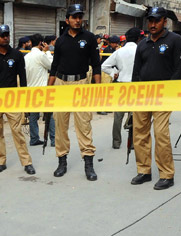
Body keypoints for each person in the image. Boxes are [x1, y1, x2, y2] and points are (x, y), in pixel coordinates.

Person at [131, 7, 181, 190]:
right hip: (142, 95)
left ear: (165, 22)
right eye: (150, 21)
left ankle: (167, 174)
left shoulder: (175, 40)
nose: (153, 24)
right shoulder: (142, 44)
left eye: (157, 21)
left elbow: (179, 68)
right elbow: (136, 72)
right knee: (139, 134)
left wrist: (169, 91)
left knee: (161, 134)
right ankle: (144, 171)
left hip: (163, 95)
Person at [48, 4, 100, 180]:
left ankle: (89, 164)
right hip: (61, 84)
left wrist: (98, 88)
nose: (78, 20)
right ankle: (62, 162)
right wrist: (49, 89)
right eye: (74, 17)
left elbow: (96, 64)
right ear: (67, 19)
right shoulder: (60, 40)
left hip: (82, 84)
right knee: (60, 125)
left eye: (80, 17)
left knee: (84, 125)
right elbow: (54, 67)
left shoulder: (90, 38)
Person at [0, 24, 35, 175]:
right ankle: (1, 162)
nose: (5, 37)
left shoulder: (17, 55)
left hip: (13, 99)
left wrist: (25, 100)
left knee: (17, 131)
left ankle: (27, 162)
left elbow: (23, 78)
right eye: (2, 35)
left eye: (7, 34)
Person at [101, 27, 142, 149]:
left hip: (121, 85)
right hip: (136, 85)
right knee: (135, 115)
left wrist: (114, 72)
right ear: (139, 39)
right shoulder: (141, 50)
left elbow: (104, 66)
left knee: (118, 116)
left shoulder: (119, 52)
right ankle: (134, 143)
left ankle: (116, 142)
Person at [24, 33, 52, 146]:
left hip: (31, 91)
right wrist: (48, 52)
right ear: (41, 43)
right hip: (42, 91)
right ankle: (54, 140)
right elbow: (51, 65)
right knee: (50, 116)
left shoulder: (26, 57)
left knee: (33, 118)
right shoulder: (41, 55)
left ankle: (34, 139)